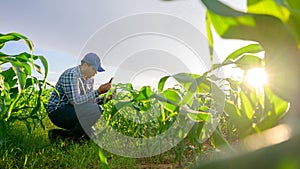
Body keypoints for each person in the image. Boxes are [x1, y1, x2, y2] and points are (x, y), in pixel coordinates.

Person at [47, 52, 112, 142]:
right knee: (96, 110)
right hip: (58, 111)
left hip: (73, 109)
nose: (95, 73)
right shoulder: (71, 75)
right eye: (94, 69)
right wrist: (98, 91)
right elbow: (76, 101)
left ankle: (56, 135)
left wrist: (105, 98)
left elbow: (88, 101)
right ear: (85, 65)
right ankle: (69, 141)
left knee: (91, 137)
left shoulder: (90, 79)